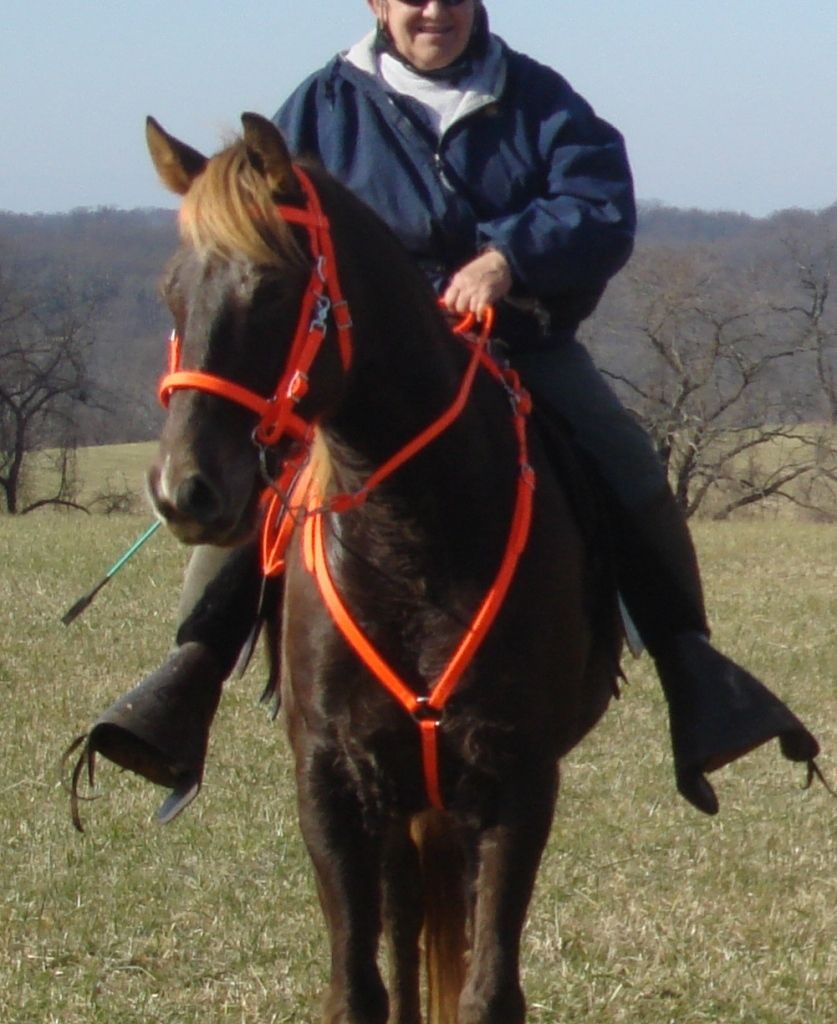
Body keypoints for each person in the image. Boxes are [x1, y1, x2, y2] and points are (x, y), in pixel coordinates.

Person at [78, 0, 818, 821]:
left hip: (519, 347)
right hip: (365, 376)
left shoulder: (537, 98)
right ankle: (190, 677)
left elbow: (601, 205)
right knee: (260, 481)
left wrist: (508, 258)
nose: (432, 9)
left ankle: (695, 675)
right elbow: (262, 230)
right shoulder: (322, 106)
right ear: (377, 4)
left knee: (626, 463)